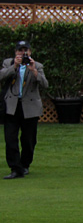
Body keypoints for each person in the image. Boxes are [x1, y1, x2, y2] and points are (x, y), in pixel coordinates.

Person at [2, 40, 48, 179]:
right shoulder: (8, 63)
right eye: (20, 51)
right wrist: (15, 66)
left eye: (25, 50)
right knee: (10, 139)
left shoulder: (37, 66)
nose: (22, 53)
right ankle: (15, 168)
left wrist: (33, 70)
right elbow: (1, 76)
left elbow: (45, 84)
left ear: (30, 52)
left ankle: (25, 164)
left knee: (28, 140)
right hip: (12, 106)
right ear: (15, 52)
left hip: (30, 107)